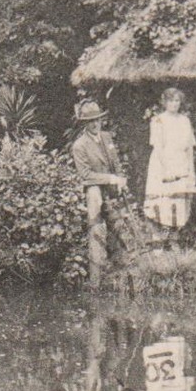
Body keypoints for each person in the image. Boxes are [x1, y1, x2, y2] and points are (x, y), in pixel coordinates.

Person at [70, 100, 128, 287]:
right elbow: (86, 175)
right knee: (97, 231)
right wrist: (111, 178)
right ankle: (95, 281)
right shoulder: (79, 145)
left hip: (111, 191)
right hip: (94, 192)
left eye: (97, 120)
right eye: (90, 121)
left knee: (118, 227)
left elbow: (116, 162)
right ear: (84, 124)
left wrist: (120, 180)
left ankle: (122, 274)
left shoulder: (107, 137)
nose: (95, 124)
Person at [143, 87, 196, 232]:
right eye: (171, 100)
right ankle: (158, 239)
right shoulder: (158, 120)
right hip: (162, 164)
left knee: (179, 204)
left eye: (177, 101)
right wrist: (167, 170)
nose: (174, 104)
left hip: (181, 162)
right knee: (162, 203)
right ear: (164, 102)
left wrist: (191, 170)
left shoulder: (185, 120)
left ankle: (175, 239)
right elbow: (158, 147)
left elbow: (189, 148)